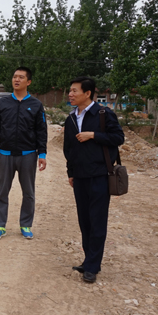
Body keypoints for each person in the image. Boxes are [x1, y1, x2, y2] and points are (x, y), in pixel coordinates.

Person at [64, 77, 124, 284]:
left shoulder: (103, 114)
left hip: (99, 175)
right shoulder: (71, 118)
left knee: (97, 221)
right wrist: (70, 172)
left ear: (87, 93)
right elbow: (68, 148)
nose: (70, 94)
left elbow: (118, 138)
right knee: (85, 221)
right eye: (70, 91)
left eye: (74, 91)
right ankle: (89, 259)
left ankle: (92, 266)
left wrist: (93, 135)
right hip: (79, 176)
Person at [0, 67, 48, 240]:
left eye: (21, 77)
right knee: (1, 192)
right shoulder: (3, 103)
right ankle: (0, 226)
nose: (17, 80)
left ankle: (26, 224)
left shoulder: (36, 105)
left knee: (28, 192)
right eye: (15, 76)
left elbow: (41, 132)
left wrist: (42, 154)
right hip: (5, 154)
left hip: (28, 155)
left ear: (28, 82)